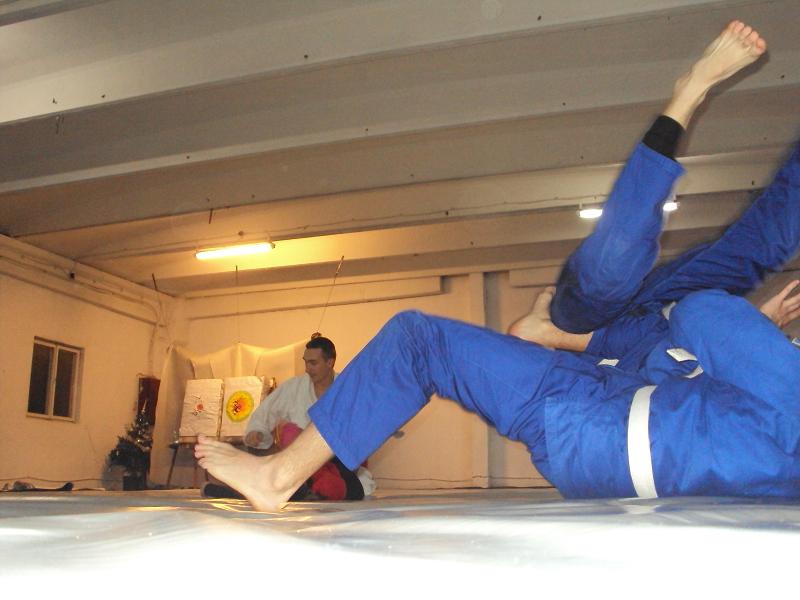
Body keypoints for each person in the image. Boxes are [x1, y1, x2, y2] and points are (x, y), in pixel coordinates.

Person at [196, 21, 800, 512]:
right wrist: (750, 341)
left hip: (600, 422)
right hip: (607, 434)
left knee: (666, 284)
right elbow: (683, 373)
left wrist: (750, 329)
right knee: (726, 261)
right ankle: (557, 329)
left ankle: (685, 98)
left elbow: (701, 316)